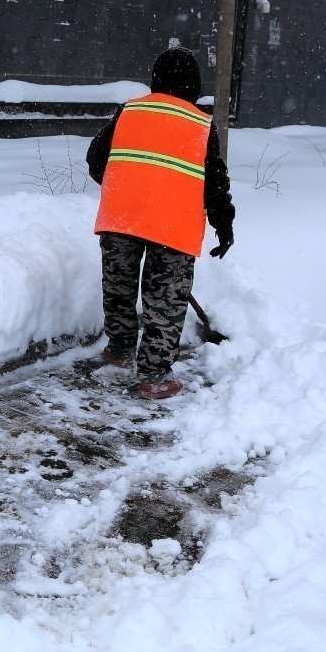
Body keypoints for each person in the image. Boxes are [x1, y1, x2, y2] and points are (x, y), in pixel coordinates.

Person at [85, 47, 235, 400]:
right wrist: (223, 223)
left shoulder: (129, 111)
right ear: (194, 84)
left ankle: (120, 350)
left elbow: (96, 159)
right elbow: (214, 183)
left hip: (121, 216)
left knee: (118, 288)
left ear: (156, 79)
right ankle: (154, 376)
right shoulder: (200, 124)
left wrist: (127, 185)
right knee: (164, 301)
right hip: (172, 225)